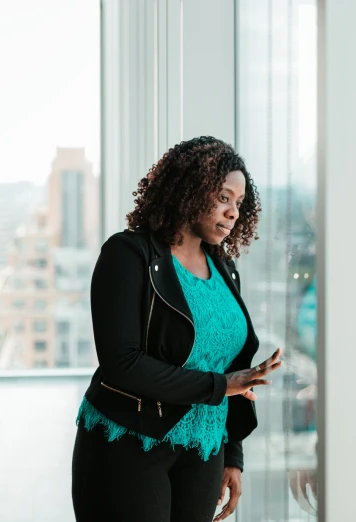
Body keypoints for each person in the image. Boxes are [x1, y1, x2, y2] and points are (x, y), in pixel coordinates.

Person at [71, 136, 282, 522]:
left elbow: (232, 365)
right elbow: (123, 363)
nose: (233, 212)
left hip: (204, 452)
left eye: (239, 203)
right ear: (189, 188)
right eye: (223, 197)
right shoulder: (128, 254)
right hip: (130, 444)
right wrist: (221, 385)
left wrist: (232, 453)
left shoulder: (224, 268)